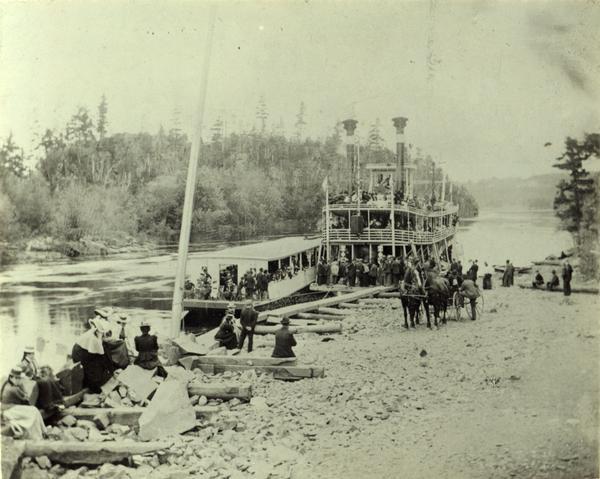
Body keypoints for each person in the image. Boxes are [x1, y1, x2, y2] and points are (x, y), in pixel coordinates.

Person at [1, 367, 47, 440]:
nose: (18, 380)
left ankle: (43, 432)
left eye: (19, 378)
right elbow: (26, 399)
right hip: (9, 410)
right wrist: (21, 386)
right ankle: (42, 433)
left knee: (34, 411)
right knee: (34, 411)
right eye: (16, 378)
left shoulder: (7, 383)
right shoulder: (13, 389)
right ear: (11, 377)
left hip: (7, 408)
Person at [72, 319, 113, 393]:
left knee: (98, 363)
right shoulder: (95, 339)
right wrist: (109, 369)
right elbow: (100, 355)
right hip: (79, 353)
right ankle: (93, 383)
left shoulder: (96, 332)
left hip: (82, 350)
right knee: (95, 368)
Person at [20, 346, 64, 412]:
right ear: (27, 354)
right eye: (31, 354)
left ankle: (58, 400)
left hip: (36, 378)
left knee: (50, 380)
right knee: (45, 382)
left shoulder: (33, 361)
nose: (33, 355)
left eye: (33, 354)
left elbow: (37, 369)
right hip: (31, 380)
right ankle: (47, 405)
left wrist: (41, 371)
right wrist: (37, 375)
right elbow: (27, 375)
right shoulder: (24, 363)